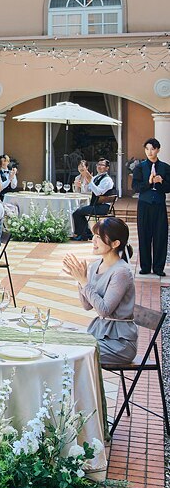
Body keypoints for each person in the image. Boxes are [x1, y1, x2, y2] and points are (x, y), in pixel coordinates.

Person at [63, 217, 138, 364]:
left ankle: (85, 387)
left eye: (99, 237)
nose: (93, 240)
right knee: (62, 343)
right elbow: (87, 306)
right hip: (99, 334)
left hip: (119, 344)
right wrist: (80, 280)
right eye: (94, 236)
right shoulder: (95, 265)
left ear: (115, 243)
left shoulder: (121, 272)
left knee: (71, 354)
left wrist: (84, 282)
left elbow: (104, 310)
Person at [132, 138, 170, 278]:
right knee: (144, 235)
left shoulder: (165, 167)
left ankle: (159, 267)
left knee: (160, 235)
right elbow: (135, 187)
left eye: (152, 149)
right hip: (144, 205)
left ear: (158, 150)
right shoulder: (139, 167)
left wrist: (161, 182)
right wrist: (148, 182)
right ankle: (145, 267)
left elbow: (168, 187)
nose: (150, 152)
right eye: (147, 149)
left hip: (159, 205)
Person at [70, 159, 116, 241]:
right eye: (98, 164)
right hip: (96, 204)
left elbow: (98, 192)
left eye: (102, 165)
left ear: (107, 168)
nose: (99, 166)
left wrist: (90, 181)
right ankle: (87, 233)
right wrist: (81, 185)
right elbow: (89, 190)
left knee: (77, 213)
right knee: (78, 211)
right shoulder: (96, 177)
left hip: (103, 207)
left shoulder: (107, 180)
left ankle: (83, 235)